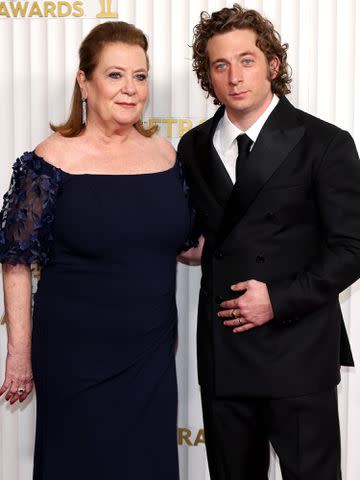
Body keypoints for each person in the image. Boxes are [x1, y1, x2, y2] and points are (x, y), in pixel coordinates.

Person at [0, 21, 197, 480]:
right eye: (115, 75)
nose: (130, 89)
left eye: (140, 76)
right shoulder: (48, 161)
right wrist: (19, 355)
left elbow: (188, 245)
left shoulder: (166, 156)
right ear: (84, 82)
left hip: (149, 356)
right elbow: (16, 260)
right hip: (74, 358)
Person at [177, 4, 360, 479]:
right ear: (208, 76)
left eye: (247, 60)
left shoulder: (325, 143)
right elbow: (212, 228)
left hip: (296, 349)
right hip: (224, 353)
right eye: (220, 65)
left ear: (273, 66)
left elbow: (352, 248)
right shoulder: (193, 147)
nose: (234, 76)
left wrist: (277, 300)